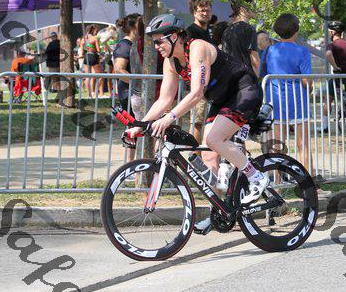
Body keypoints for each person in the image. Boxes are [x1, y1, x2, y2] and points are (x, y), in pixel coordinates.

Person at [125, 14, 267, 234]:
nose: (156, 46)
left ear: (175, 36)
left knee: (213, 139)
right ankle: (220, 211)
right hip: (221, 100)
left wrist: (169, 118)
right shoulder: (171, 62)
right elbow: (164, 99)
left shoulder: (197, 48)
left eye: (159, 41)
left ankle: (256, 176)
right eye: (154, 42)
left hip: (243, 92)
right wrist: (140, 125)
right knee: (209, 155)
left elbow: (197, 92)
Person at [260, 14, 324, 194]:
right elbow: (306, 79)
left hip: (275, 102)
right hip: (297, 101)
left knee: (277, 145)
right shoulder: (302, 51)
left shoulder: (269, 50)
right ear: (296, 30)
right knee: (303, 145)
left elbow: (262, 74)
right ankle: (308, 186)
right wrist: (309, 88)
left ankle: (277, 185)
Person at [318, 21, 346, 134]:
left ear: (332, 32)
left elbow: (328, 54)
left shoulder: (332, 45)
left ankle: (324, 126)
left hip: (338, 76)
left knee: (328, 100)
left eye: (329, 31)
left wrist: (336, 67)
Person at [114, 14, 145, 161]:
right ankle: (130, 164)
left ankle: (135, 164)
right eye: (141, 23)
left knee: (137, 129)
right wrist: (139, 83)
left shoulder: (138, 44)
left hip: (137, 92)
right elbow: (119, 69)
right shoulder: (124, 45)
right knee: (133, 129)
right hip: (129, 93)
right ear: (133, 27)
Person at [186, 0, 214, 146]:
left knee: (208, 121)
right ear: (194, 12)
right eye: (202, 10)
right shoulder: (191, 31)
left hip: (211, 84)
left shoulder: (209, 32)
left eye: (208, 10)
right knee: (197, 121)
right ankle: (194, 154)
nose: (205, 13)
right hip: (197, 83)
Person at [221, 0, 260, 76]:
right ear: (243, 9)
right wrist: (261, 79)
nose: (256, 9)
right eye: (253, 6)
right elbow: (255, 61)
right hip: (246, 77)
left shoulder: (227, 30)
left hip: (230, 77)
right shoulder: (248, 28)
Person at [81, 25, 104, 97]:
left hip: (86, 56)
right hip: (94, 56)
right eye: (96, 31)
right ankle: (96, 91)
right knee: (101, 76)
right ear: (93, 30)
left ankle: (89, 94)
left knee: (87, 76)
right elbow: (98, 50)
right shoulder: (94, 38)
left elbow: (82, 52)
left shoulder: (83, 39)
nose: (96, 32)